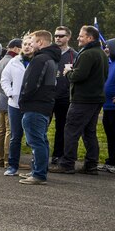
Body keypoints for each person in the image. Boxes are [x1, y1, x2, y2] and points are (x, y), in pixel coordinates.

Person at [52, 25, 109, 175]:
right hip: (96, 98)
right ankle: (91, 164)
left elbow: (78, 76)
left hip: (83, 99)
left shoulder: (88, 54)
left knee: (71, 130)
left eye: (81, 36)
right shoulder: (101, 53)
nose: (78, 38)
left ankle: (67, 163)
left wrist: (68, 72)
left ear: (90, 38)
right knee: (89, 132)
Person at [18, 31, 61, 185]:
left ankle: (39, 174)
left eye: (33, 41)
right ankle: (37, 170)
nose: (31, 45)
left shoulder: (41, 59)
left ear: (41, 42)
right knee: (41, 139)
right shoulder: (50, 58)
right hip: (44, 104)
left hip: (36, 105)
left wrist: (23, 99)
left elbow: (32, 84)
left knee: (36, 141)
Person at [1, 35, 31, 177]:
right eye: (24, 44)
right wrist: (10, 93)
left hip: (32, 105)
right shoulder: (14, 62)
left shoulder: (39, 61)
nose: (27, 46)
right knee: (15, 136)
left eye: (30, 44)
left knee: (35, 137)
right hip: (14, 104)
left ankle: (36, 167)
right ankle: (12, 166)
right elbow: (4, 79)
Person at [0, 39, 22, 167]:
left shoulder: (0, 62)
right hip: (9, 99)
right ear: (16, 48)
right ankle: (8, 160)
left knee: (1, 131)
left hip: (0, 99)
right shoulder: (13, 62)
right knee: (10, 131)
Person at [50, 26, 77, 165]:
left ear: (68, 37)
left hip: (64, 97)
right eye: (56, 36)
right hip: (48, 96)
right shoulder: (50, 53)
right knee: (42, 126)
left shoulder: (74, 55)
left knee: (61, 127)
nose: (58, 38)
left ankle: (58, 154)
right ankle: (38, 154)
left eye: (61, 36)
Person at [101, 38, 115, 174]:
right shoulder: (111, 63)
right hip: (108, 107)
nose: (106, 49)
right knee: (111, 135)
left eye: (108, 46)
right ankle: (112, 161)